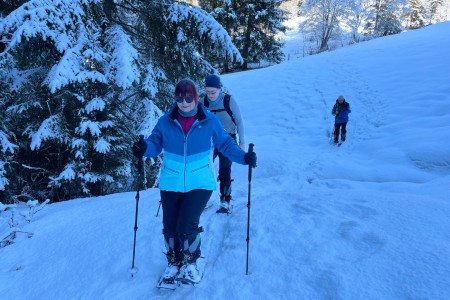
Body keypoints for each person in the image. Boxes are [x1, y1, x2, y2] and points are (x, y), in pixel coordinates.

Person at [131, 79, 257, 285]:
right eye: (179, 98)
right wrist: (144, 148)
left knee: (186, 224)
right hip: (171, 181)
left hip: (200, 181)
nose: (184, 102)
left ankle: (190, 264)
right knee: (169, 226)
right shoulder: (166, 121)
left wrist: (244, 157)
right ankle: (174, 262)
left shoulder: (208, 121)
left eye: (189, 98)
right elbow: (155, 142)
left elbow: (225, 144)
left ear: (196, 98)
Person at [203, 74, 245, 214]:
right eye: (207, 92)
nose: (210, 95)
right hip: (211, 140)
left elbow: (239, 121)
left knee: (224, 169)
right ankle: (203, 199)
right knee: (204, 167)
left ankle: (226, 200)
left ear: (219, 89)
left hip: (228, 138)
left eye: (213, 92)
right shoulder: (204, 102)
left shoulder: (228, 100)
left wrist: (242, 143)